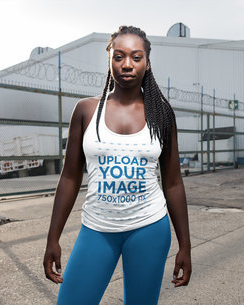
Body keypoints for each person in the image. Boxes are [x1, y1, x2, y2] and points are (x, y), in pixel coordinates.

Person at [43, 25, 192, 305]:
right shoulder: (86, 111)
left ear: (147, 63)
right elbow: (69, 178)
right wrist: (53, 238)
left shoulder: (161, 113)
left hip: (149, 227)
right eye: (119, 56)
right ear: (109, 58)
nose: (127, 64)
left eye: (136, 57)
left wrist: (185, 245)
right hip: (97, 229)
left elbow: (172, 182)